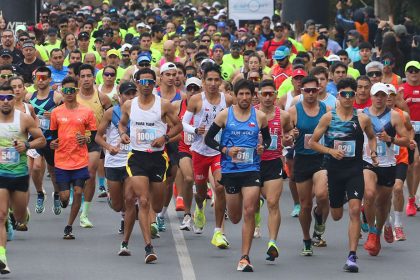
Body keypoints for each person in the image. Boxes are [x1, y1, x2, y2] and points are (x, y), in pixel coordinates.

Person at [309, 77, 378, 272]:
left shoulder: (362, 118)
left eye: (351, 94)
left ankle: (352, 256)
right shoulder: (329, 118)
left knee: (355, 211)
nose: (348, 98)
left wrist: (373, 152)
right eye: (343, 94)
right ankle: (333, 205)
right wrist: (330, 151)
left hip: (355, 169)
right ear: (338, 96)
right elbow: (313, 142)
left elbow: (372, 137)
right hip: (334, 170)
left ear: (355, 95)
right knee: (337, 214)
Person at [205, 79, 271, 272]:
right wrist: (225, 150)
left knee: (249, 211)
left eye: (247, 94)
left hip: (251, 169)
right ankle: (240, 207)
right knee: (234, 217)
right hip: (230, 170)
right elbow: (209, 138)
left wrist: (262, 147)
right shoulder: (225, 115)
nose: (244, 97)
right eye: (240, 94)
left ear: (253, 96)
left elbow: (266, 139)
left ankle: (245, 257)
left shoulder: (259, 117)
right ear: (234, 96)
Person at [118, 68, 182, 263]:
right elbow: (122, 124)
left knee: (157, 203)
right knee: (142, 201)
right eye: (142, 82)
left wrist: (165, 137)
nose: (146, 86)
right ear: (137, 83)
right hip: (137, 157)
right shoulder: (129, 105)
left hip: (157, 158)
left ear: (155, 84)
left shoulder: (164, 105)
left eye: (150, 82)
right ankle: (148, 247)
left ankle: (132, 238)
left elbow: (178, 126)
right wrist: (123, 134)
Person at [182, 64, 234, 248]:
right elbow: (184, 122)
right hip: (199, 151)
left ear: (220, 82)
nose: (212, 83)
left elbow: (234, 120)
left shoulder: (227, 100)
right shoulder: (196, 100)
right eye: (209, 80)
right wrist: (195, 129)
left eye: (216, 80)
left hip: (219, 151)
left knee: (220, 188)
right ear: (203, 82)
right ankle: (200, 207)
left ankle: (218, 232)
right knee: (201, 191)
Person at [0, 84, 46, 274]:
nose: (5, 101)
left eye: (8, 97)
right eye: (1, 98)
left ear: (14, 98)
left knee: (19, 217)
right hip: (0, 174)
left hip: (19, 174)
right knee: (1, 214)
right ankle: (2, 256)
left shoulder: (24, 119)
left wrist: (26, 145)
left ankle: (20, 215)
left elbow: (42, 140)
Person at [362, 82, 409, 257]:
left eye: (383, 95)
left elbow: (406, 141)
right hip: (367, 161)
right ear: (371, 97)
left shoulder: (395, 116)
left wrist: (391, 139)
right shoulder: (362, 115)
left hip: (388, 164)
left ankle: (378, 232)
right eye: (377, 95)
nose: (380, 98)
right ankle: (372, 232)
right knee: (369, 193)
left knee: (382, 204)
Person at [49, 77, 97, 240]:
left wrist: (86, 139)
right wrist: (53, 144)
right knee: (64, 196)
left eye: (72, 90)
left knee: (77, 192)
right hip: (62, 160)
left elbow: (93, 133)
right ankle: (62, 200)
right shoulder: (56, 112)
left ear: (76, 91)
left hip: (80, 160)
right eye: (66, 91)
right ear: (62, 92)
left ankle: (69, 226)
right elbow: (53, 136)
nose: (69, 94)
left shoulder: (86, 111)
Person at [288, 75, 330, 254]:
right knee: (305, 205)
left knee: (321, 195)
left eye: (314, 90)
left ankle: (319, 219)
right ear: (301, 91)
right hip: (302, 159)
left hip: (321, 158)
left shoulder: (326, 109)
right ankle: (306, 238)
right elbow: (287, 137)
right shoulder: (294, 110)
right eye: (307, 90)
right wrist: (291, 135)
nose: (311, 94)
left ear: (319, 90)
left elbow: (333, 133)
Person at [95, 81, 138, 255]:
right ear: (119, 96)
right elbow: (98, 137)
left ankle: (125, 243)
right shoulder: (111, 113)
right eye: (126, 94)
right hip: (113, 162)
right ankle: (120, 208)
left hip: (132, 162)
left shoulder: (141, 112)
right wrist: (108, 147)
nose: (130, 97)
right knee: (117, 204)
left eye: (132, 94)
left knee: (129, 200)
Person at [254, 79, 294, 260]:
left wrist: (288, 138)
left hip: (273, 163)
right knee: (249, 205)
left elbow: (289, 134)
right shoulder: (251, 113)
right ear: (259, 95)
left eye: (271, 93)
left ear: (276, 95)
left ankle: (272, 242)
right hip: (252, 164)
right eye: (264, 93)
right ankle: (256, 208)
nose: (268, 97)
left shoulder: (283, 115)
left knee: (272, 202)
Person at [76, 64, 112, 228]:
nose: (86, 79)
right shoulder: (73, 97)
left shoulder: (102, 97)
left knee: (90, 174)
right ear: (78, 78)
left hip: (93, 141)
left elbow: (113, 117)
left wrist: (106, 134)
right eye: (82, 76)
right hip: (74, 142)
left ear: (93, 77)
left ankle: (84, 214)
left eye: (88, 76)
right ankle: (72, 195)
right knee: (76, 179)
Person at [26, 66, 63, 215]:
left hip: (51, 138)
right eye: (38, 78)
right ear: (35, 79)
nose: (40, 81)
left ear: (49, 79)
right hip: (35, 137)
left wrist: (54, 115)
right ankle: (40, 192)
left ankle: (56, 193)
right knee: (35, 167)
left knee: (52, 171)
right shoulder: (29, 97)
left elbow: (67, 114)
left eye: (44, 78)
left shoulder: (57, 97)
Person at [385, 84, 413, 241]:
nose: (388, 97)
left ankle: (398, 224)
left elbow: (410, 129)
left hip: (400, 158)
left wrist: (410, 141)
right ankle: (386, 222)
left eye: (391, 94)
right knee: (383, 194)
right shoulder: (372, 115)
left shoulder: (403, 115)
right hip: (382, 160)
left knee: (397, 188)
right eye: (385, 94)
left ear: (396, 97)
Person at [175, 77, 202, 230]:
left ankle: (199, 211)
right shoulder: (177, 106)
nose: (192, 92)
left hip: (202, 150)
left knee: (201, 185)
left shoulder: (206, 106)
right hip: (184, 148)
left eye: (195, 89)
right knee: (189, 178)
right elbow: (170, 124)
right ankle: (187, 214)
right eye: (189, 89)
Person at [401, 61, 420, 215]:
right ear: (406, 73)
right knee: (410, 165)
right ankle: (411, 198)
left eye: (416, 70)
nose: (414, 73)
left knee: (417, 164)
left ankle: (412, 199)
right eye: (411, 70)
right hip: (408, 131)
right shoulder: (401, 90)